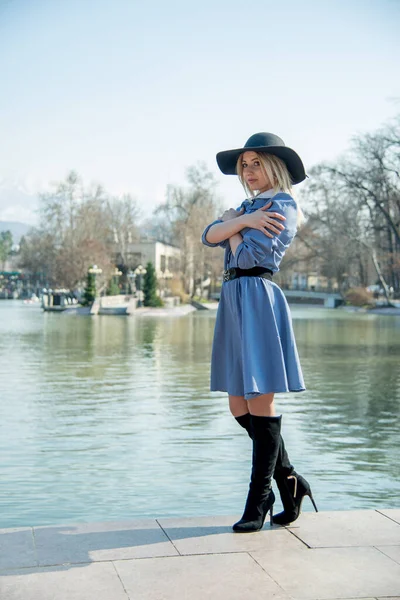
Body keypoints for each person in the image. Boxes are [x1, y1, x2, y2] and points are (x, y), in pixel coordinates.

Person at [201, 132, 318, 533]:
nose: (249, 171)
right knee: (238, 406)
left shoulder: (283, 205)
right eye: (244, 165)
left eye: (256, 163)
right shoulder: (251, 207)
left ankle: (258, 500)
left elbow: (247, 254)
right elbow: (207, 235)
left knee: (260, 404)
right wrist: (240, 221)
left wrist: (235, 222)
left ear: (273, 166)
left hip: (257, 298)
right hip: (233, 301)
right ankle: (290, 481)